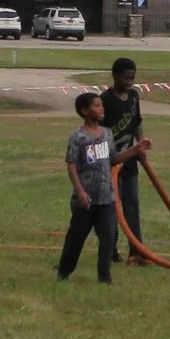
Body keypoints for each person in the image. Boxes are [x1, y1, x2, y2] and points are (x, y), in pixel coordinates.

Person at [59, 91, 119, 284]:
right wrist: (79, 191)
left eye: (102, 105)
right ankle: (63, 273)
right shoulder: (78, 136)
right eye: (96, 106)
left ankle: (105, 278)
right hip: (85, 199)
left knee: (108, 238)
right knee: (76, 239)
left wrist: (136, 150)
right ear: (84, 111)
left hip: (106, 197)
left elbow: (113, 160)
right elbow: (71, 164)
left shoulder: (107, 134)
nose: (101, 109)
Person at [100, 58, 153, 264]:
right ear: (114, 75)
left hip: (130, 160)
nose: (129, 82)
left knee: (132, 205)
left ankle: (136, 251)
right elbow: (100, 131)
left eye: (132, 77)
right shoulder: (104, 100)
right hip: (110, 162)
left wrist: (140, 145)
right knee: (112, 207)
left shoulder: (133, 96)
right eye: (125, 78)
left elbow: (137, 121)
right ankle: (110, 251)